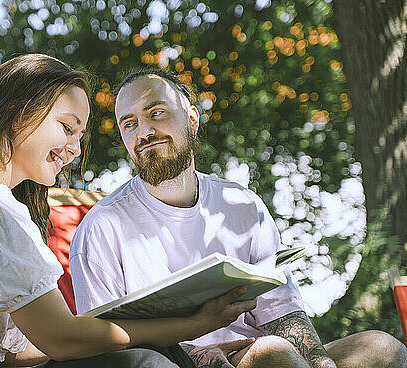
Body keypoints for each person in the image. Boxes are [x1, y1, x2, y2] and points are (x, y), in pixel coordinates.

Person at [0, 55, 259, 368]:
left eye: (80, 135)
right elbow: (62, 338)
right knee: (142, 363)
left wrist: (179, 346)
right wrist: (193, 324)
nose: (74, 148)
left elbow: (25, 349)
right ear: (19, 111)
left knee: (149, 356)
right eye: (67, 126)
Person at [69, 68, 407, 368]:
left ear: (192, 119)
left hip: (260, 352)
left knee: (382, 347)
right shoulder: (101, 228)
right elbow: (108, 347)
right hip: (174, 361)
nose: (143, 133)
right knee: (271, 353)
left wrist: (321, 364)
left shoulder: (242, 204)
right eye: (129, 124)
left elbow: (281, 312)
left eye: (156, 113)